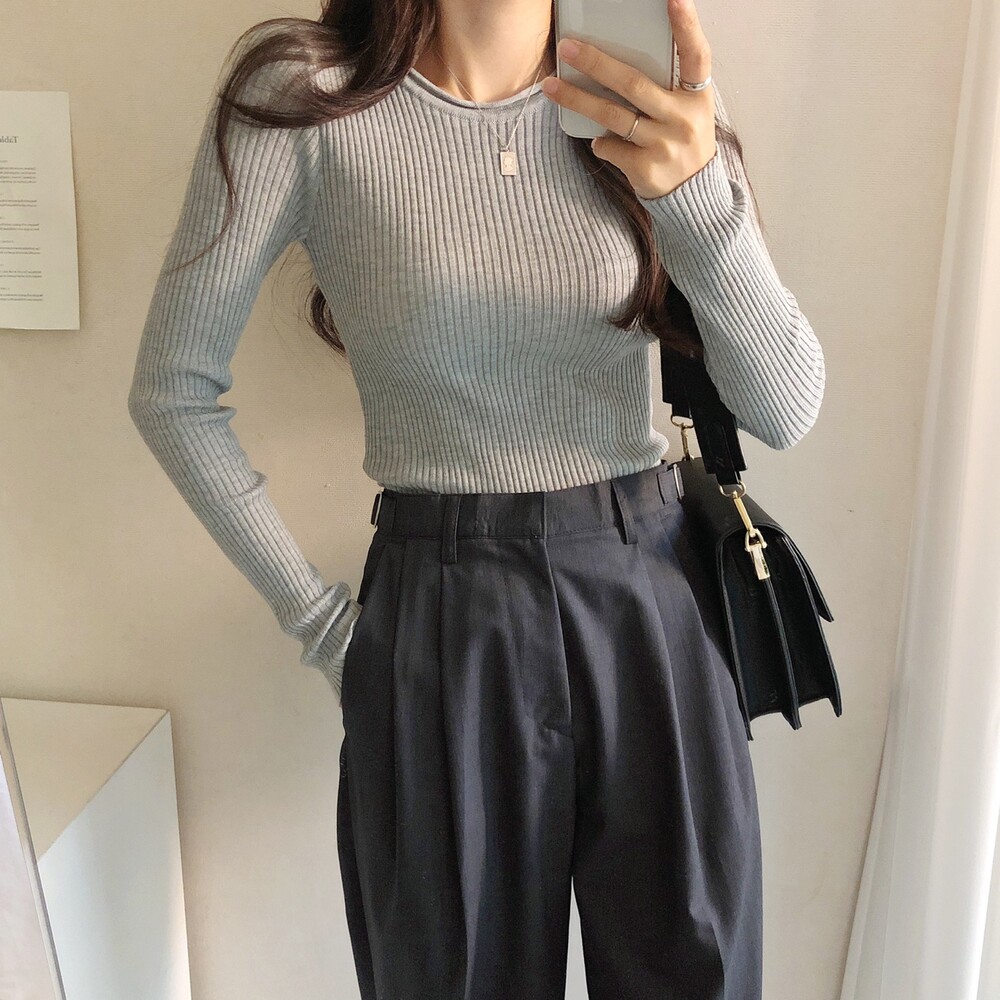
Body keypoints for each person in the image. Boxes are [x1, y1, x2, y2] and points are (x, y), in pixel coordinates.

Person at [128, 1, 825, 997]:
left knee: (695, 969)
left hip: (650, 604)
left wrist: (695, 193)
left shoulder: (642, 87)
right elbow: (171, 390)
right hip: (440, 613)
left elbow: (785, 408)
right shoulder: (307, 96)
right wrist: (329, 632)